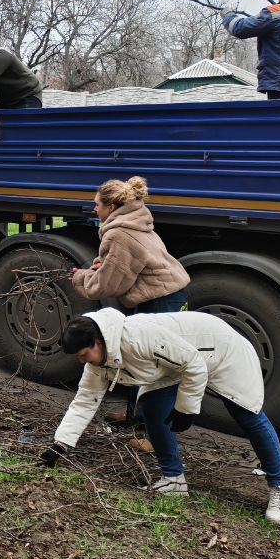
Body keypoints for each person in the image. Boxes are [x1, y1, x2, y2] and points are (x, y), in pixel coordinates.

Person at [41, 308, 280, 525]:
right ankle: (174, 481)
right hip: (176, 363)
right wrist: (61, 444)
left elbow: (194, 364)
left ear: (99, 341)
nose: (82, 361)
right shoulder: (99, 361)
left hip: (220, 349)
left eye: (84, 354)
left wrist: (186, 410)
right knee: (152, 406)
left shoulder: (139, 338)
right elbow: (85, 401)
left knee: (248, 415)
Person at [72, 175, 191, 445]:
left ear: (111, 207)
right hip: (168, 296)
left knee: (158, 371)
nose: (94, 209)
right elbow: (123, 266)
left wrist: (81, 278)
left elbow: (108, 284)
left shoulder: (120, 234)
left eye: (97, 205)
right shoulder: (137, 222)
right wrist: (100, 267)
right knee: (140, 360)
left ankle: (154, 438)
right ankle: (136, 416)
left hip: (161, 302)